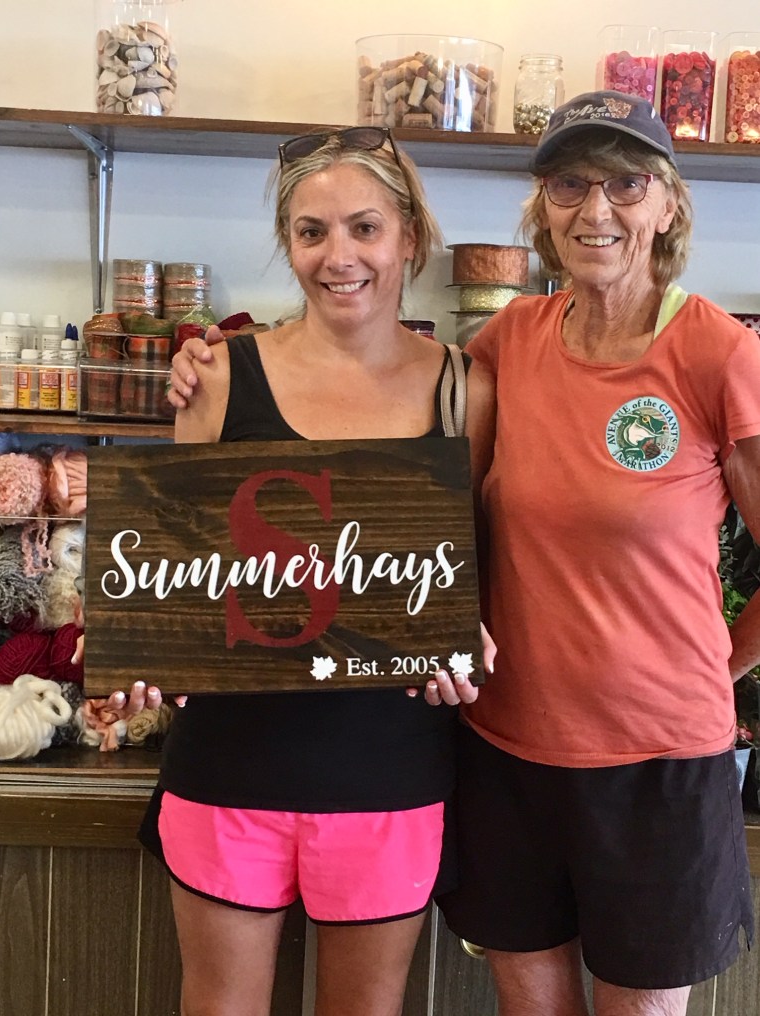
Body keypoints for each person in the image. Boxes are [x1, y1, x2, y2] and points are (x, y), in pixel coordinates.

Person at [171, 91, 760, 1016]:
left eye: (625, 184)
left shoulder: (718, 353)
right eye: (570, 184)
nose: (596, 209)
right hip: (504, 748)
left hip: (655, 763)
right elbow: (437, 534)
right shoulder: (505, 347)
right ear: (542, 208)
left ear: (668, 203)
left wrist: (710, 671)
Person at [145, 124, 495, 1016]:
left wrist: (472, 639)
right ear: (288, 243)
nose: (338, 257)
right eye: (311, 232)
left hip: (390, 769)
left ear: (410, 237)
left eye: (364, 228)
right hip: (228, 763)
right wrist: (144, 652)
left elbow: (479, 566)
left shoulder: (468, 390)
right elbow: (177, 576)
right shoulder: (219, 377)